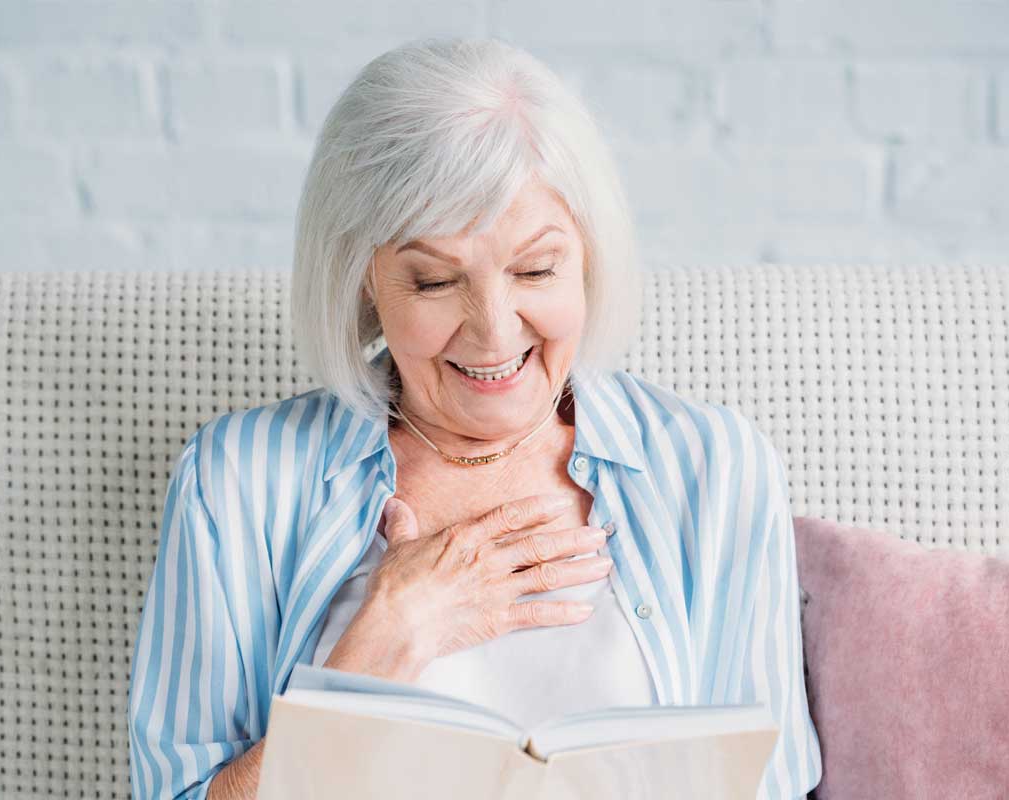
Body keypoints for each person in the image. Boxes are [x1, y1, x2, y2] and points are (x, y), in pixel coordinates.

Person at [127, 37, 822, 800]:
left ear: (588, 257)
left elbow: (771, 788)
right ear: (365, 282)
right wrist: (381, 645)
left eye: (535, 270)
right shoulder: (239, 480)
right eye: (433, 281)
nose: (494, 332)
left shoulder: (713, 469)